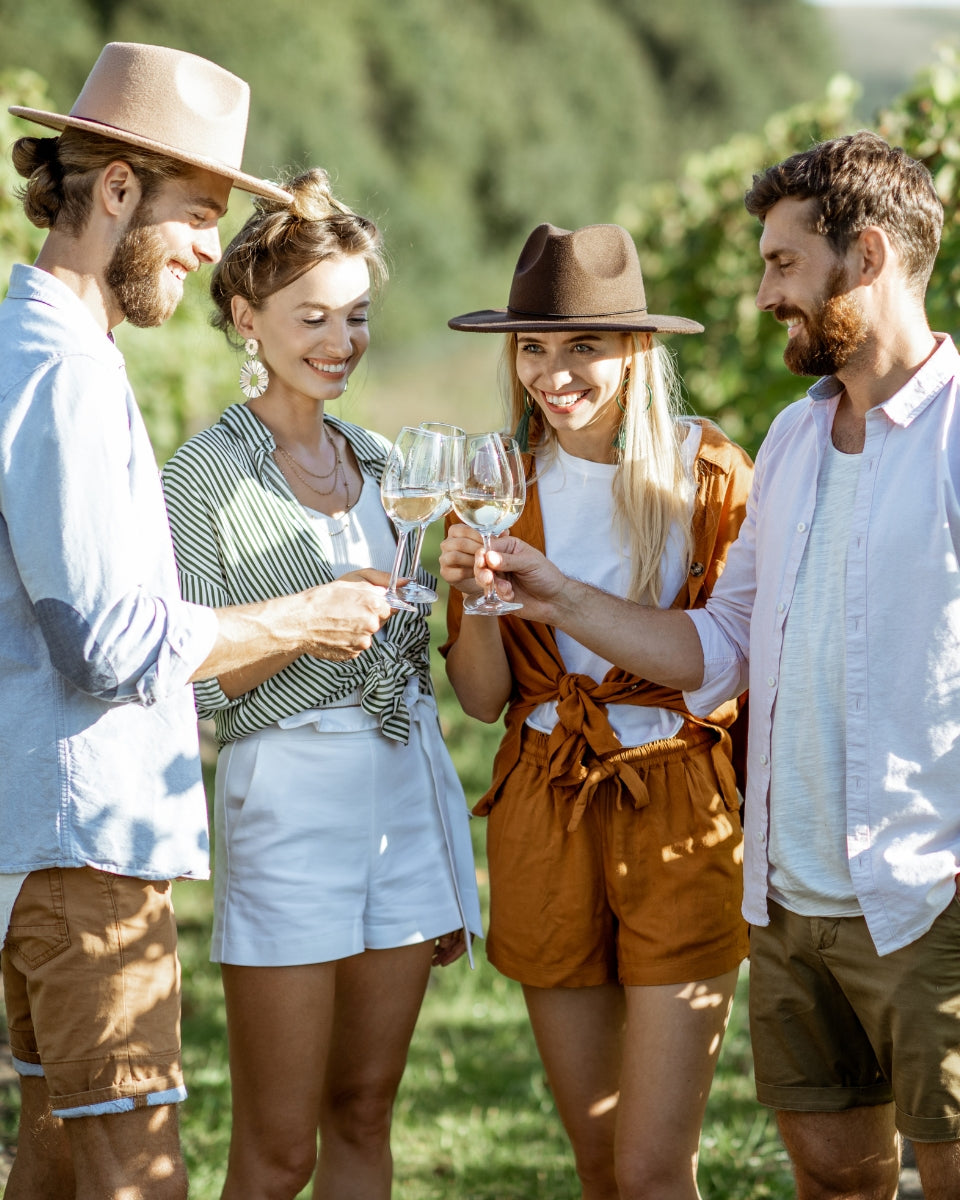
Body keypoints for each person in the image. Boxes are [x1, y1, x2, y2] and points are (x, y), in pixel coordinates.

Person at [474, 134, 960, 1200]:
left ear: (867, 257)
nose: (764, 290)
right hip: (791, 891)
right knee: (835, 1173)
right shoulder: (791, 440)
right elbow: (718, 648)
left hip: (930, 886)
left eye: (784, 264)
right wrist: (553, 594)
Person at [0, 43, 395, 1200]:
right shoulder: (65, 373)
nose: (208, 251)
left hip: (41, 838)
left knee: (56, 1163)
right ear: (115, 191)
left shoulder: (38, 345)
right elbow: (108, 641)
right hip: (88, 849)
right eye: (197, 215)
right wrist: (301, 619)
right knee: (139, 1176)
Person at [160, 167, 482, 1200]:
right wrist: (306, 629)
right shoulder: (199, 477)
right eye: (314, 318)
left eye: (357, 316)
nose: (341, 342)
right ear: (246, 318)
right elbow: (198, 678)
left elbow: (431, 659)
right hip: (287, 804)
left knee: (363, 1113)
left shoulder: (393, 463)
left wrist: (464, 586)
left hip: (400, 787)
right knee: (277, 1149)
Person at [438, 221, 753, 1200]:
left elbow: (727, 671)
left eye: (583, 346)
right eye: (534, 346)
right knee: (599, 1168)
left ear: (637, 350)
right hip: (548, 798)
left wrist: (559, 594)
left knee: (655, 1170)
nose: (552, 371)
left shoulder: (707, 479)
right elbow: (485, 699)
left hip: (675, 805)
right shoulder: (494, 482)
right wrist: (474, 601)